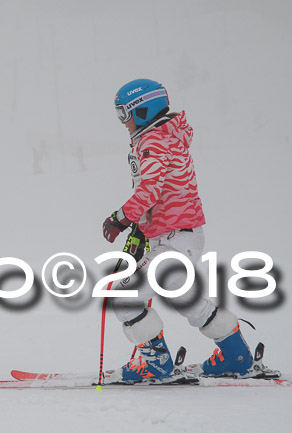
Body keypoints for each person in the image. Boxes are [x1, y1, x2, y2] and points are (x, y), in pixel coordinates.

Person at [103, 78, 272, 382]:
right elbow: (165, 193)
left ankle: (156, 366)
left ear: (141, 111)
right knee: (189, 302)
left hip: (173, 241)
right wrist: (142, 231)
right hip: (180, 236)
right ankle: (237, 358)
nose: (122, 122)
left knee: (125, 299)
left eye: (123, 113)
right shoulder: (165, 137)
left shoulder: (153, 141)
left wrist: (120, 218)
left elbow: (151, 190)